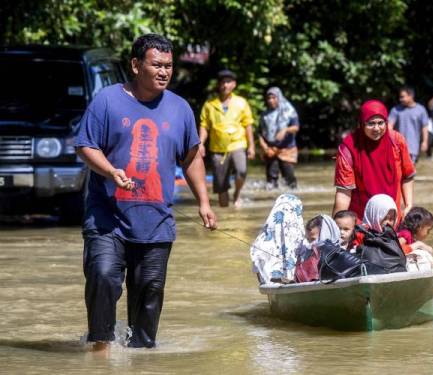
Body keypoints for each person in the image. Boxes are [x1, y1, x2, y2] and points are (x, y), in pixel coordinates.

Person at [75, 34, 217, 352]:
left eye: (168, 65)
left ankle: (140, 356)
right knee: (103, 276)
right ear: (136, 65)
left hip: (155, 221)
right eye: (156, 65)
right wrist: (110, 171)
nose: (164, 71)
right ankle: (101, 350)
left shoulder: (180, 109)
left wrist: (204, 203)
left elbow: (192, 157)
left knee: (150, 291)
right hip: (106, 217)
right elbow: (85, 145)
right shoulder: (107, 101)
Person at [333, 99, 415, 221]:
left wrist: (408, 205)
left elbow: (407, 175)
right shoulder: (348, 149)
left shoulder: (397, 142)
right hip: (361, 219)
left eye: (381, 123)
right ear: (361, 123)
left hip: (392, 217)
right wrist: (336, 226)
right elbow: (344, 193)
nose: (376, 128)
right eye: (370, 123)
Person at [199, 69, 255, 207]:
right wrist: (200, 144)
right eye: (223, 82)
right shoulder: (209, 105)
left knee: (241, 171)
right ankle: (225, 217)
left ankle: (237, 193)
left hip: (237, 144)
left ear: (234, 84)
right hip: (217, 148)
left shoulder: (241, 102)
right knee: (220, 185)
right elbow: (204, 125)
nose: (225, 85)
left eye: (228, 82)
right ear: (219, 85)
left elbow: (248, 125)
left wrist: (251, 146)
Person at [250, 194, 305, 284]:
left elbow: (258, 273)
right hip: (298, 282)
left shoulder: (260, 241)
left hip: (270, 285)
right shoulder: (301, 238)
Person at [258, 87, 300, 189]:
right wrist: (265, 147)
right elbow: (260, 133)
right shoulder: (265, 115)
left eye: (274, 98)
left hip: (286, 149)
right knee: (271, 181)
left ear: (279, 98)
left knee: (289, 180)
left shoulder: (289, 111)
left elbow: (296, 127)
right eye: (269, 98)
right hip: (271, 150)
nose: (271, 100)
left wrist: (285, 130)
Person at [356, 194, 406, 273]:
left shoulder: (392, 238)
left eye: (392, 219)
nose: (388, 222)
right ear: (373, 215)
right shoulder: (359, 236)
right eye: (385, 218)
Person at [388, 86, 429, 163]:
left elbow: (425, 127)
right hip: (397, 147)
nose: (400, 99)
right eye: (400, 97)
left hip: (413, 147)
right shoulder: (396, 110)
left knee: (410, 172)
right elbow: (389, 125)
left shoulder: (421, 110)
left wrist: (425, 142)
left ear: (411, 96)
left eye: (402, 97)